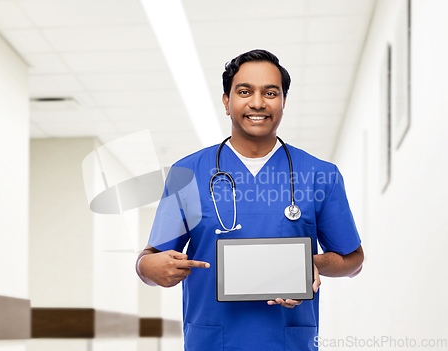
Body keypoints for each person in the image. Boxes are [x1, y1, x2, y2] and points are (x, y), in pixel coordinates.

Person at [136, 49, 364, 351]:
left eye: (271, 92)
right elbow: (150, 258)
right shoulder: (187, 174)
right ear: (226, 102)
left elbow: (353, 260)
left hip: (288, 343)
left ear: (283, 102)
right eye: (245, 91)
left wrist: (306, 264)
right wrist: (148, 269)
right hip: (213, 341)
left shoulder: (320, 174)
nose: (257, 102)